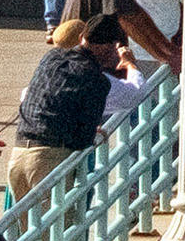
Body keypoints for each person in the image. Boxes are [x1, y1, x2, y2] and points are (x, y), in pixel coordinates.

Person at [9, 16, 123, 193]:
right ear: (108, 47)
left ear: (82, 38)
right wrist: (93, 133)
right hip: (49, 161)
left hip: (19, 153)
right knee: (59, 221)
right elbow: (83, 138)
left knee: (25, 221)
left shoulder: (51, 57)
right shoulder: (96, 79)